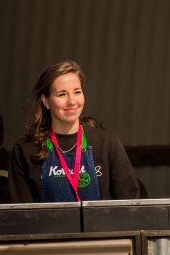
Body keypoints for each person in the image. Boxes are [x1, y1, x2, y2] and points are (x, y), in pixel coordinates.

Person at [10, 60, 140, 202]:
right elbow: (22, 215)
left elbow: (129, 205)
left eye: (77, 92)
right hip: (49, 225)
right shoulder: (25, 150)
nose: (72, 101)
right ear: (46, 101)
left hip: (98, 225)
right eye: (62, 94)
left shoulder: (108, 144)